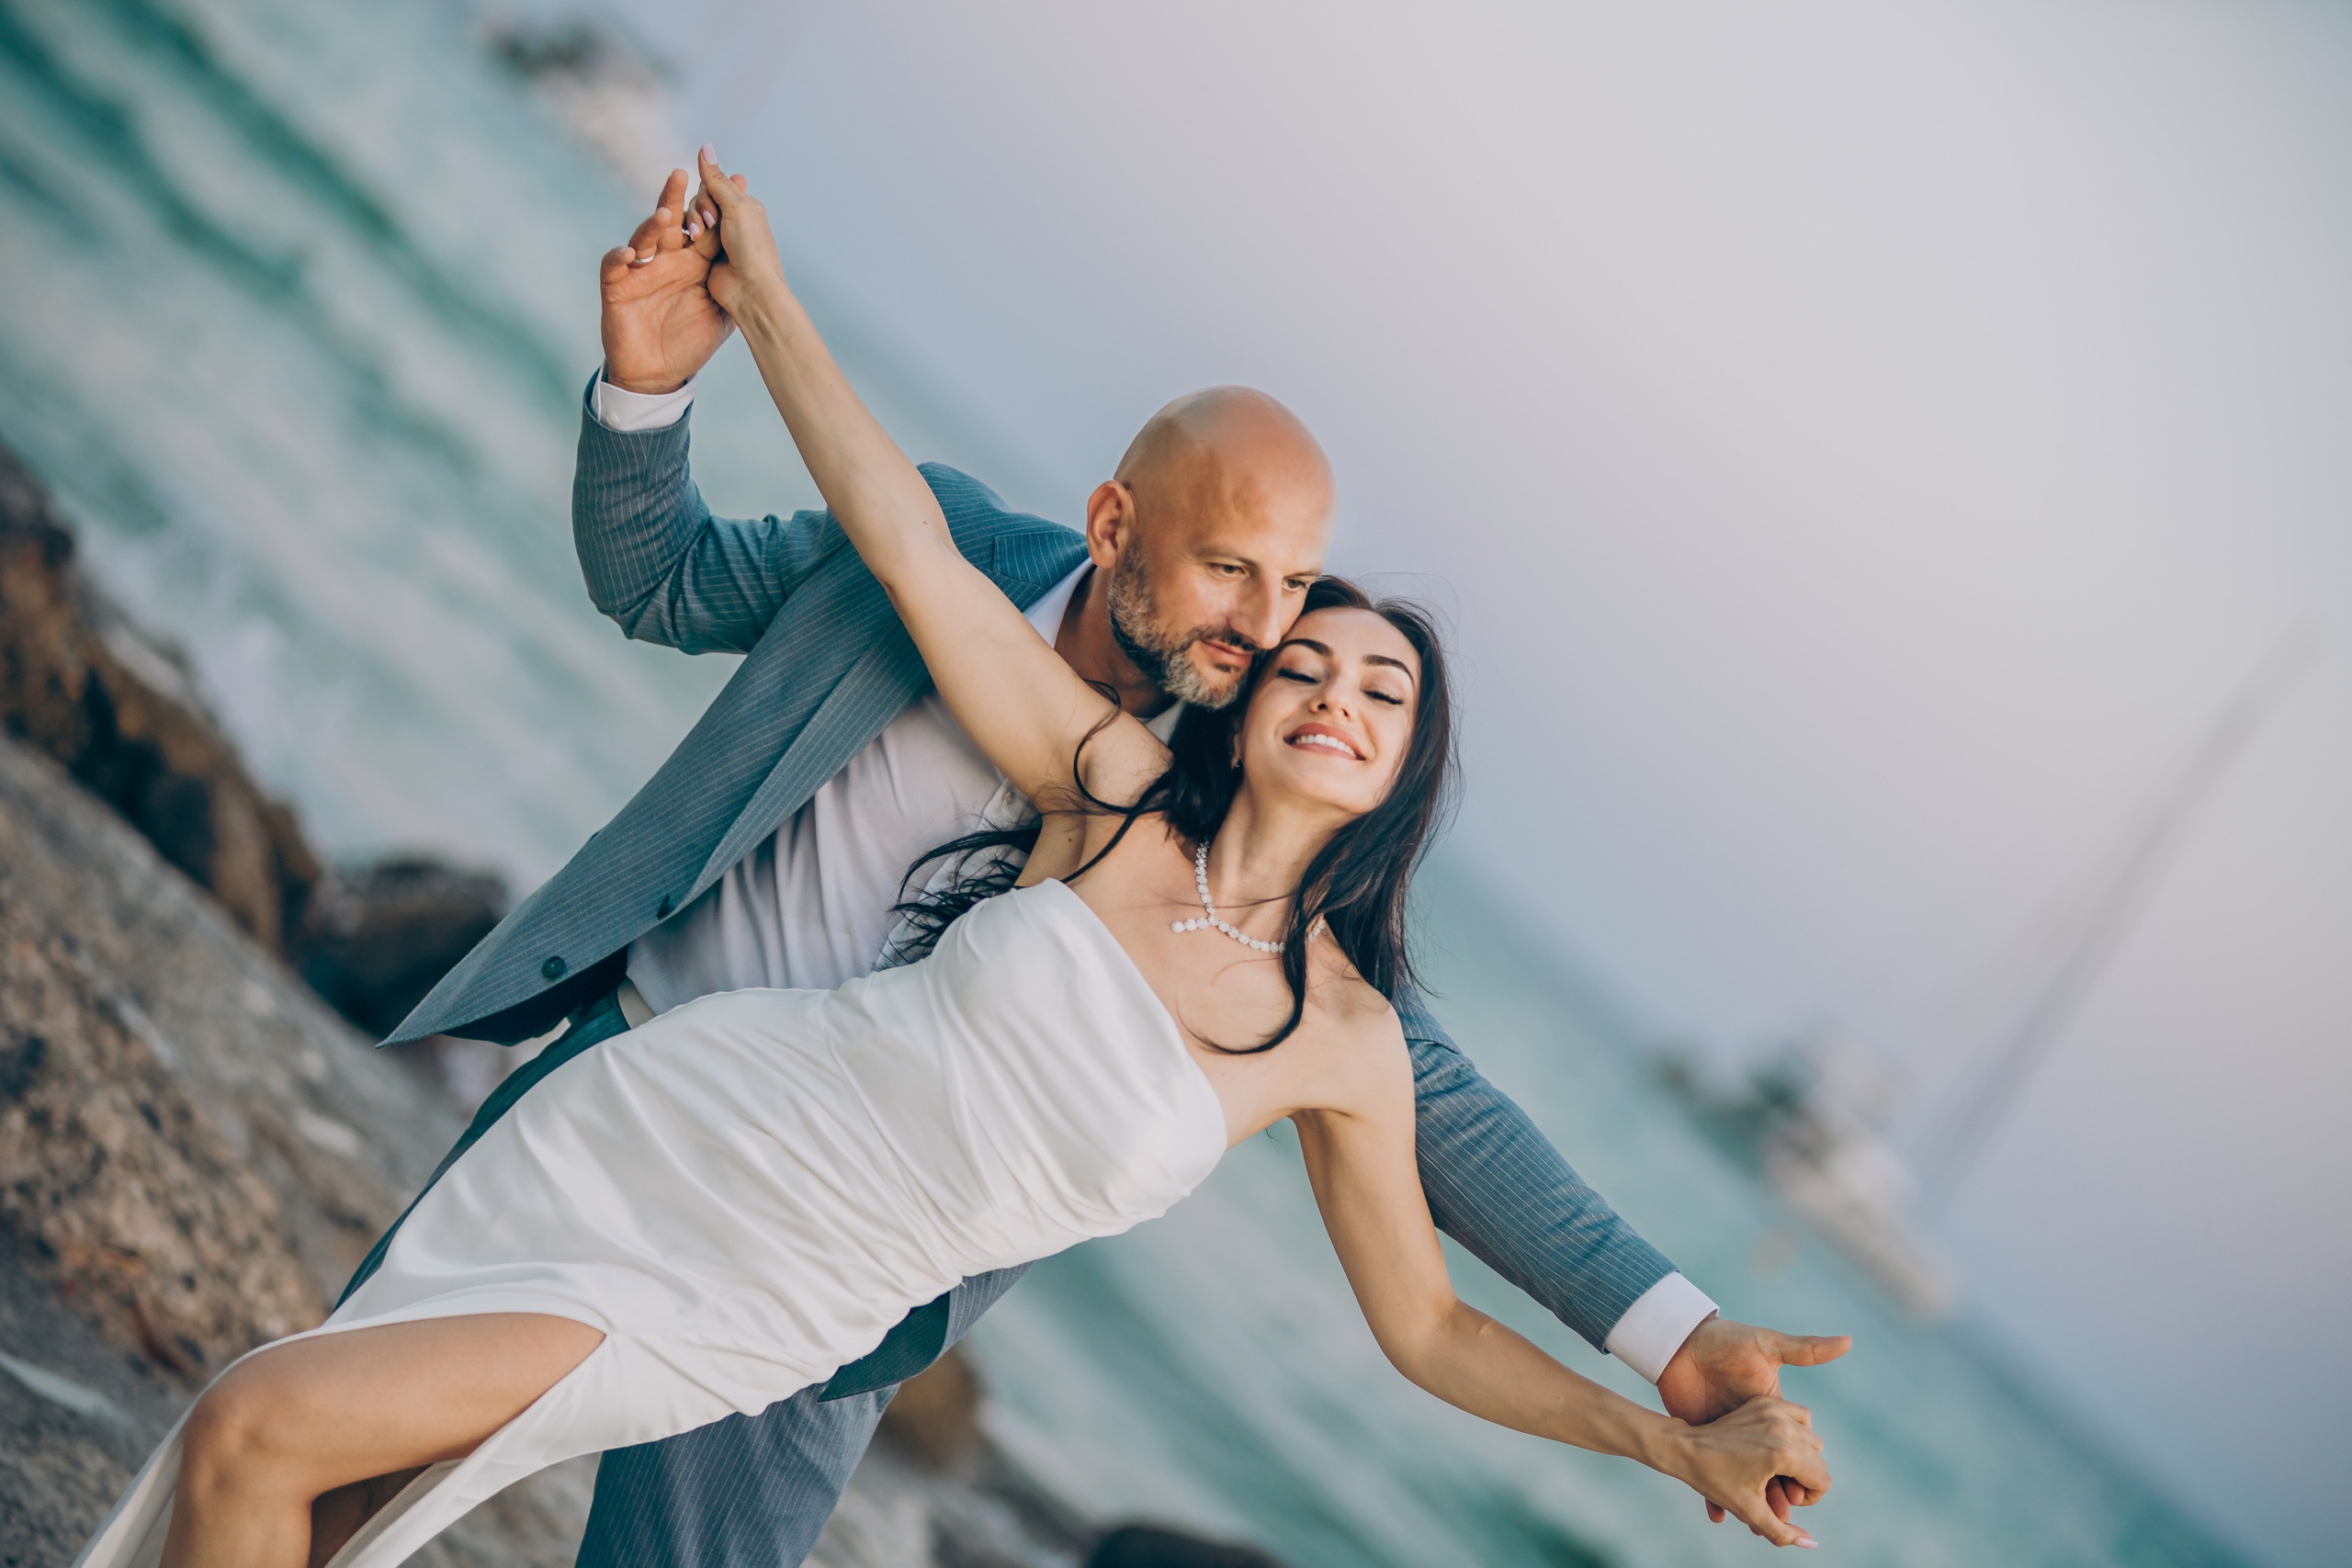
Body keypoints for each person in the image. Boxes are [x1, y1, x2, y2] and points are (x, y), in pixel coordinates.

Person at [82, 148, 1835, 1568]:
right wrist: (648, 389)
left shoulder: (1185, 803)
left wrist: (1675, 1346)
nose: (1269, 629)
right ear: (1114, 530)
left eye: (1303, 597)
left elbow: (1431, 1120)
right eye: (1240, 580)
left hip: (827, 1297)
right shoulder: (982, 624)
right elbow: (672, 580)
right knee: (301, 1473)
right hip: (634, 1099)